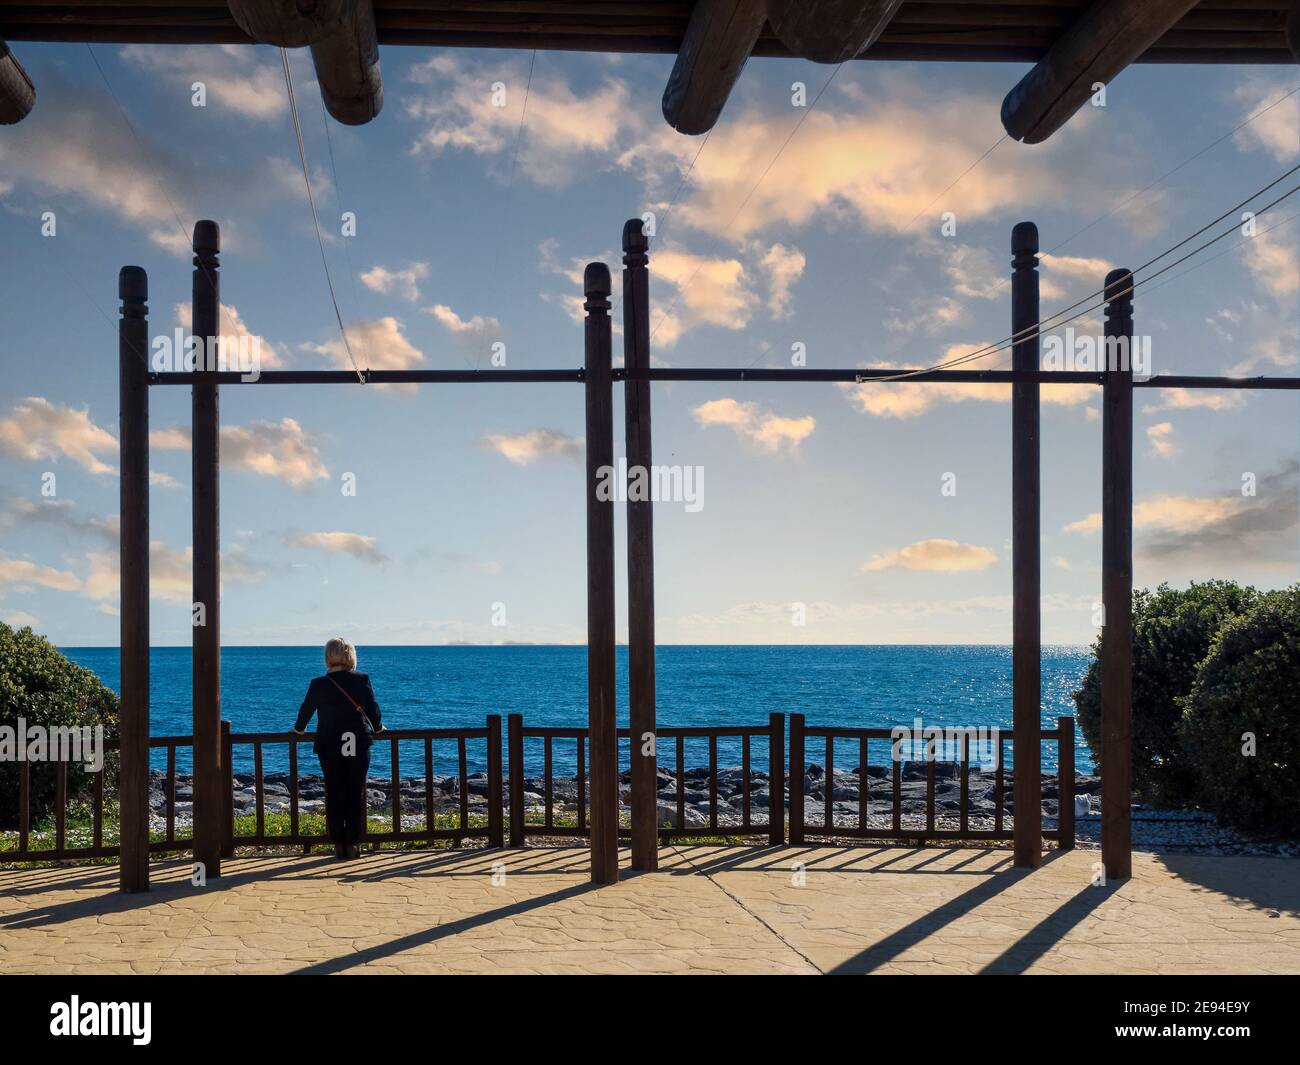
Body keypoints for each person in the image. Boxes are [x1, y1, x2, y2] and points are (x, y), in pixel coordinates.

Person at [291, 637, 384, 860]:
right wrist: (378, 728)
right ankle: (352, 843)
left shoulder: (318, 684)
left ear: (328, 657)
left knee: (334, 792)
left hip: (329, 744)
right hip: (358, 742)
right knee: (355, 792)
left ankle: (338, 843)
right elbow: (372, 709)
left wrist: (298, 730)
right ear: (350, 656)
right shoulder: (362, 679)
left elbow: (306, 711)